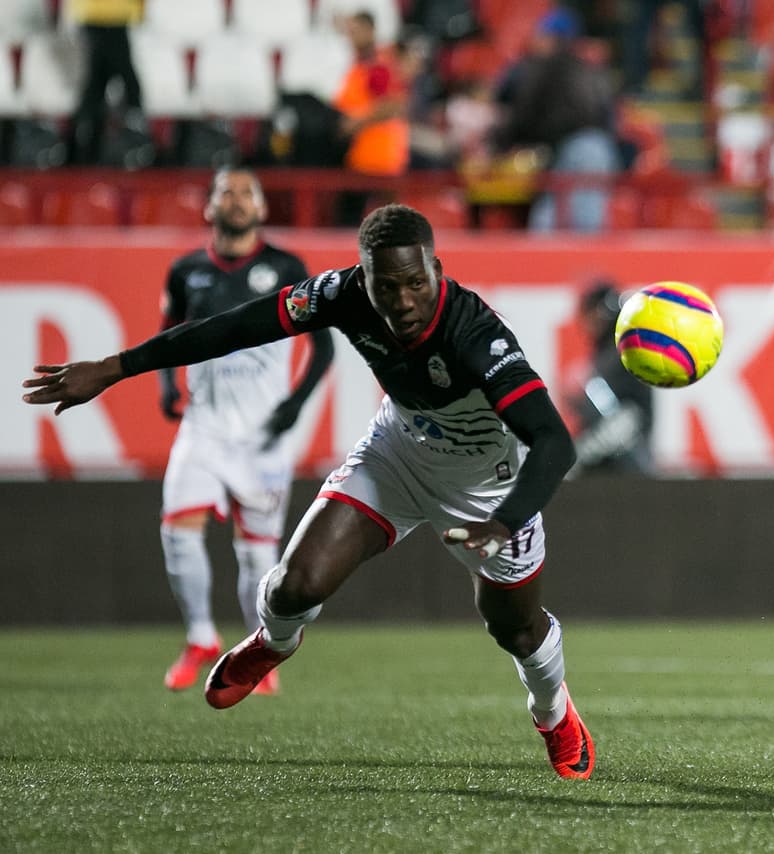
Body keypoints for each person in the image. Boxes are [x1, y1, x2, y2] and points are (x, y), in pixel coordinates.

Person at [22, 204, 595, 781]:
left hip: (487, 488)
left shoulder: (476, 335)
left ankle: (552, 712)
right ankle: (273, 642)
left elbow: (553, 441)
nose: (403, 301)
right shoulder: (340, 294)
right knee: (293, 587)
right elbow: (234, 328)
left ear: (436, 271)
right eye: (386, 287)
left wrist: (504, 521)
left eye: (416, 284)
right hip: (397, 454)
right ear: (364, 278)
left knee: (515, 629)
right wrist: (117, 367)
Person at [156, 167, 334, 695]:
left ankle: (257, 651)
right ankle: (199, 636)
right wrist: (166, 385)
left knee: (257, 552)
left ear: (262, 208)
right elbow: (167, 334)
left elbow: (323, 346)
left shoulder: (286, 267)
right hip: (203, 426)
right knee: (177, 528)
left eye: (245, 193)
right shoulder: (186, 271)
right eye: (225, 193)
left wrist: (296, 404)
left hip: (263, 436)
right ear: (209, 207)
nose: (235, 201)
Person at [491, 7, 621, 233]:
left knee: (572, 225)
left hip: (578, 150)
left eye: (542, 34)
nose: (535, 40)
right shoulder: (586, 67)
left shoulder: (547, 67)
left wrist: (502, 144)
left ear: (554, 38)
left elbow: (527, 112)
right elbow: (608, 114)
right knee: (568, 220)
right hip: (595, 147)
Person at [569, 282, 654, 475]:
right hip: (623, 462)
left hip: (621, 465)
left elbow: (625, 421)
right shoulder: (615, 353)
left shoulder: (618, 356)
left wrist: (577, 456)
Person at [333, 10, 410, 222]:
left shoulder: (378, 66)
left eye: (356, 31)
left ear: (370, 31)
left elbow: (394, 104)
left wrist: (355, 123)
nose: (352, 36)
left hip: (377, 155)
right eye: (350, 31)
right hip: (361, 154)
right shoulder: (360, 65)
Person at [67, 0, 144, 165]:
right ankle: (87, 141)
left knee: (98, 81)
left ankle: (85, 141)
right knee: (121, 80)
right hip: (109, 13)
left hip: (100, 13)